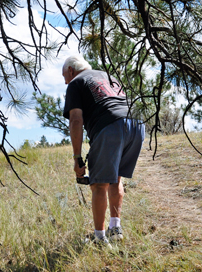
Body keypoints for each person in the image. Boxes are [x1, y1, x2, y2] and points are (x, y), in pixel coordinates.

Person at [62, 55, 145, 246]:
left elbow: (75, 120)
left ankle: (99, 238)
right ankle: (115, 229)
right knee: (115, 178)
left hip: (110, 127)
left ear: (71, 71)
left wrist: (77, 157)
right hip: (136, 125)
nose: (65, 81)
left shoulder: (75, 83)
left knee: (99, 184)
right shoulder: (109, 76)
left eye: (64, 76)